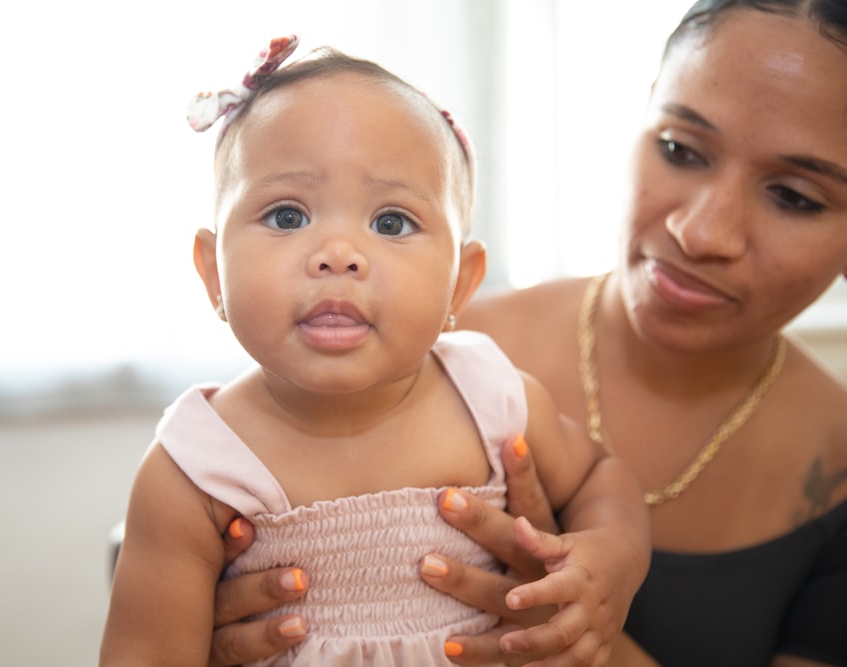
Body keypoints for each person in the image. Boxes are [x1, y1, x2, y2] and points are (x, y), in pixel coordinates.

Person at [208, 1, 847, 666]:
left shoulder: (836, 473)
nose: (702, 232)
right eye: (680, 150)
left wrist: (574, 636)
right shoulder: (413, 348)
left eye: (795, 196)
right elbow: (176, 532)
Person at [99, 37, 650, 667]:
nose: (338, 252)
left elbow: (599, 476)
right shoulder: (196, 468)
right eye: (286, 216)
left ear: (461, 284)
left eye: (391, 222)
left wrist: (613, 553)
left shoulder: (493, 399)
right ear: (212, 273)